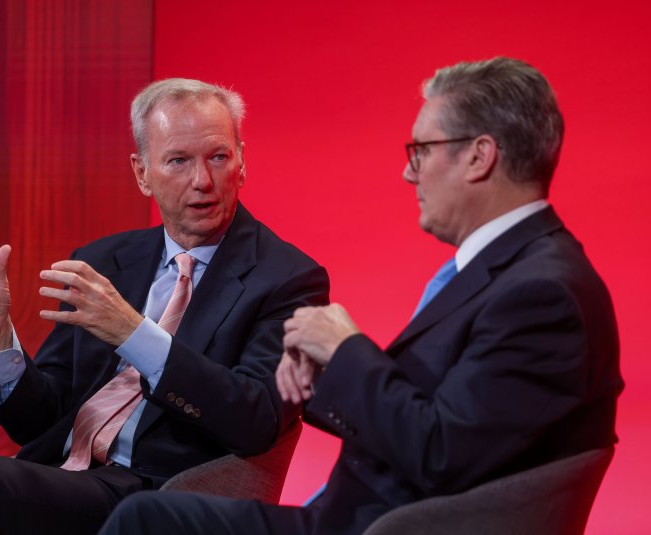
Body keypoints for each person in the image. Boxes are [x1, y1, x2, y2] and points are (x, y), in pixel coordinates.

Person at [98, 57, 623, 535]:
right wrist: (322, 378)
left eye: (422, 149)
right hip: (352, 515)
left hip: (381, 526)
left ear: (479, 157)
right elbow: (437, 415)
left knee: (147, 519)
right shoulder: (507, 271)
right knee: (148, 516)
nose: (407, 170)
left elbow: (442, 452)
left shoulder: (541, 294)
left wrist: (346, 349)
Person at [0, 79, 330, 534]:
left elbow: (256, 418)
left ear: (242, 163)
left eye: (219, 157)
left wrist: (134, 333)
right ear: (142, 173)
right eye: (179, 161)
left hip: (155, 494)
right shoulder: (104, 261)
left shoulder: (287, 279)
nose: (202, 181)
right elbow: (38, 420)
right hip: (61, 477)